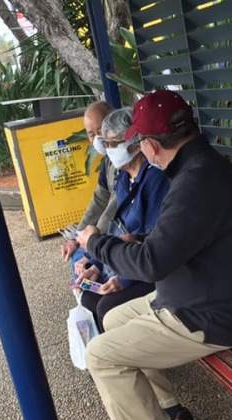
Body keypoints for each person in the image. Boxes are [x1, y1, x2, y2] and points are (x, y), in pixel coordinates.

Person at [77, 89, 232, 420]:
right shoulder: (198, 167)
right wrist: (138, 240)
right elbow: (176, 240)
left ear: (151, 146)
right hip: (194, 294)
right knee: (113, 317)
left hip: (208, 314)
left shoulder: (195, 182)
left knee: (100, 355)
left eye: (139, 143)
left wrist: (96, 244)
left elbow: (153, 264)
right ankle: (170, 411)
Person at [73, 107, 169, 332]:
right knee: (88, 296)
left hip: (148, 269)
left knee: (106, 307)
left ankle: (121, 351)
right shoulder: (124, 179)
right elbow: (117, 229)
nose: (107, 149)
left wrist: (123, 280)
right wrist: (96, 265)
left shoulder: (155, 179)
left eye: (113, 143)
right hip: (125, 259)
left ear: (135, 143)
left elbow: (153, 243)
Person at [60, 101, 119, 271]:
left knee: (84, 260)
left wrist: (92, 241)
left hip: (120, 237)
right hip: (107, 237)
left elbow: (115, 206)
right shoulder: (108, 161)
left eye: (100, 131)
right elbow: (100, 199)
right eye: (91, 134)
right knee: (77, 255)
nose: (97, 138)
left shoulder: (124, 160)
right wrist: (77, 236)